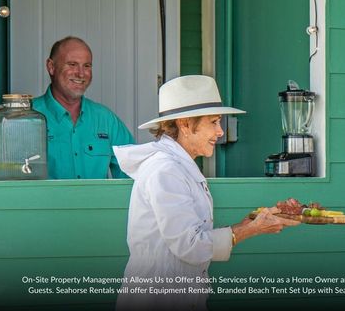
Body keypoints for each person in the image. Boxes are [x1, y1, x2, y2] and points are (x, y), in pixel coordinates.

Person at [113, 75, 299, 310]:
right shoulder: (166, 170)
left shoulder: (177, 166)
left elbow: (193, 235)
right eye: (213, 122)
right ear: (185, 124)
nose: (220, 132)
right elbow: (190, 246)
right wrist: (251, 229)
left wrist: (253, 222)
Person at [33, 36, 134, 179]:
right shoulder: (28, 116)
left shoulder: (105, 119)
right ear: (51, 67)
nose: (81, 74)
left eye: (87, 66)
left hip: (98, 202)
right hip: (46, 202)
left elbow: (133, 173)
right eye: (72, 64)